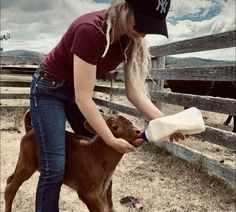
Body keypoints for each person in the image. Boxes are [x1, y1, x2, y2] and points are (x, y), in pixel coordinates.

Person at [30, 0, 184, 211]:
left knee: (100, 156)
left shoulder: (130, 40)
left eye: (151, 28)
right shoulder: (90, 30)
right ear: (125, 7)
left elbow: (134, 93)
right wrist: (110, 139)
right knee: (54, 166)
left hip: (76, 90)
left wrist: (166, 121)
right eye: (142, 24)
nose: (144, 33)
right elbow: (84, 99)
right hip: (50, 89)